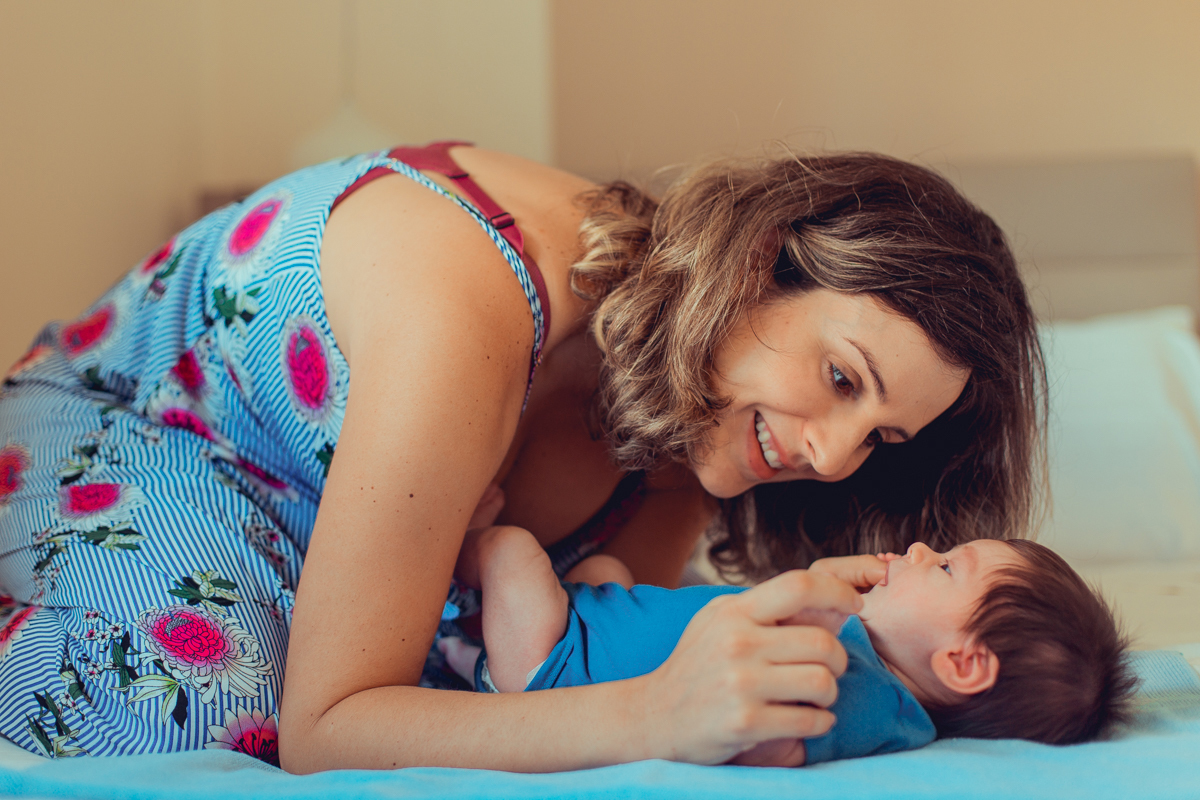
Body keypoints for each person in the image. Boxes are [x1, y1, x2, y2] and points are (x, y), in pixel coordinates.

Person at [0, 141, 1045, 771]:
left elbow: (558, 663)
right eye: (842, 378)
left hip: (307, 539)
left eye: (880, 438)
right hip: (134, 431)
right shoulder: (463, 311)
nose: (830, 455)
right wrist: (655, 712)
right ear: (758, 264)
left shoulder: (693, 434)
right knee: (204, 705)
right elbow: (328, 731)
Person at [440, 528, 1135, 766]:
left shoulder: (868, 699)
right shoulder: (872, 667)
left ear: (963, 662)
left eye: (948, 567)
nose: (923, 548)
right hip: (588, 625)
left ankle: (449, 587)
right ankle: (472, 649)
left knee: (509, 548)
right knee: (606, 573)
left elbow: (769, 741)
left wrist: (819, 595)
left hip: (561, 669)